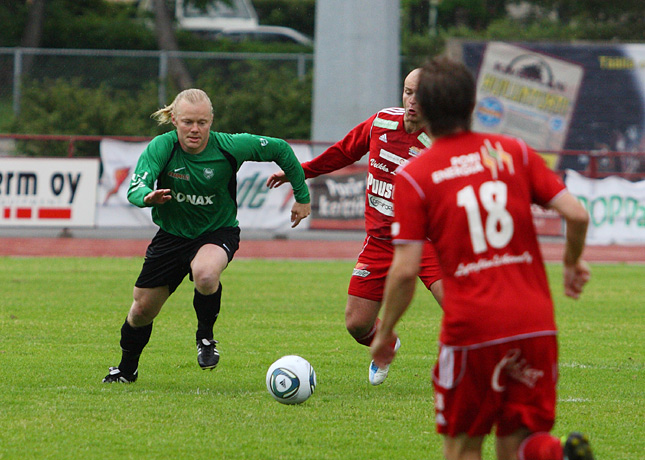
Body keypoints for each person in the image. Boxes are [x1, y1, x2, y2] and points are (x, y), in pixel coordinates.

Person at [371, 56, 594, 460]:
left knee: (462, 445)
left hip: (472, 329)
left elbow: (405, 272)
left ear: (427, 113)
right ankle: (555, 454)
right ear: (472, 106)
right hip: (534, 323)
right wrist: (573, 262)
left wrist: (385, 333)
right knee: (518, 443)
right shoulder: (514, 152)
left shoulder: (416, 177)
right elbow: (577, 215)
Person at [103, 88, 311, 383]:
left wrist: (302, 195)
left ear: (211, 121)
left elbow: (279, 148)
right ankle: (126, 370)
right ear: (174, 120)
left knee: (205, 274)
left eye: (202, 122)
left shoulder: (229, 146)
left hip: (217, 231)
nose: (195, 130)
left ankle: (205, 338)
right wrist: (147, 197)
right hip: (172, 236)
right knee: (140, 311)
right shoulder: (162, 147)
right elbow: (136, 185)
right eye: (188, 122)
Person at [267, 68, 443, 386]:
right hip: (380, 240)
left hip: (426, 241)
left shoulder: (442, 142)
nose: (412, 100)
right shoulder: (381, 123)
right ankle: (385, 344)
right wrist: (301, 172)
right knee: (357, 324)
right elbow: (344, 151)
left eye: (421, 94)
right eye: (407, 91)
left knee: (460, 309)